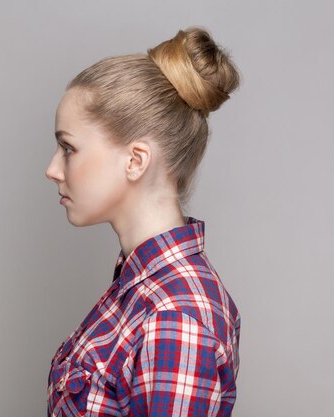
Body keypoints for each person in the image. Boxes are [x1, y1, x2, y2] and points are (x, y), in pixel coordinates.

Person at [44, 26, 241, 417]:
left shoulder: (175, 316)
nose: (52, 169)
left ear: (135, 160)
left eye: (68, 148)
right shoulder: (141, 288)